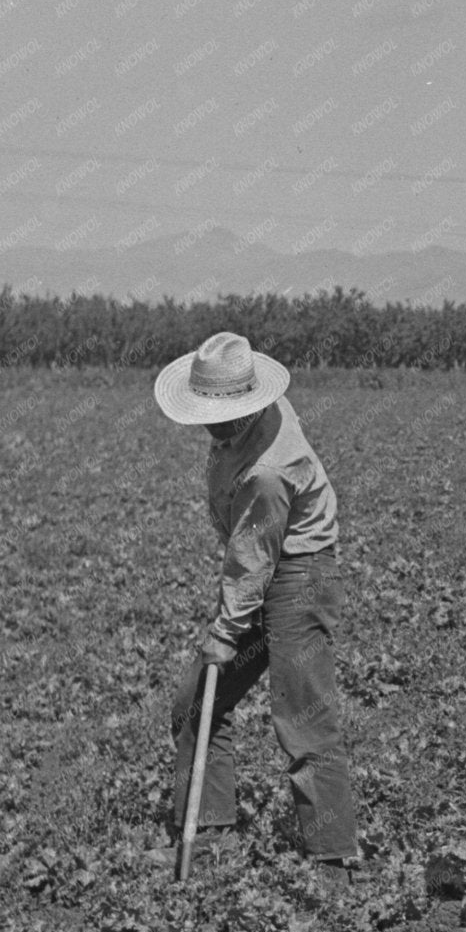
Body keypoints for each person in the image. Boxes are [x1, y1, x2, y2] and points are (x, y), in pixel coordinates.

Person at [155, 332, 361, 889]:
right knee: (196, 700)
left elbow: (255, 557)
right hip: (268, 563)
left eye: (221, 416)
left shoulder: (266, 472)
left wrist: (226, 631)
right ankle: (211, 836)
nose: (210, 427)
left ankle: (332, 863)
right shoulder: (254, 413)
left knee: (303, 715)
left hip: (300, 575)